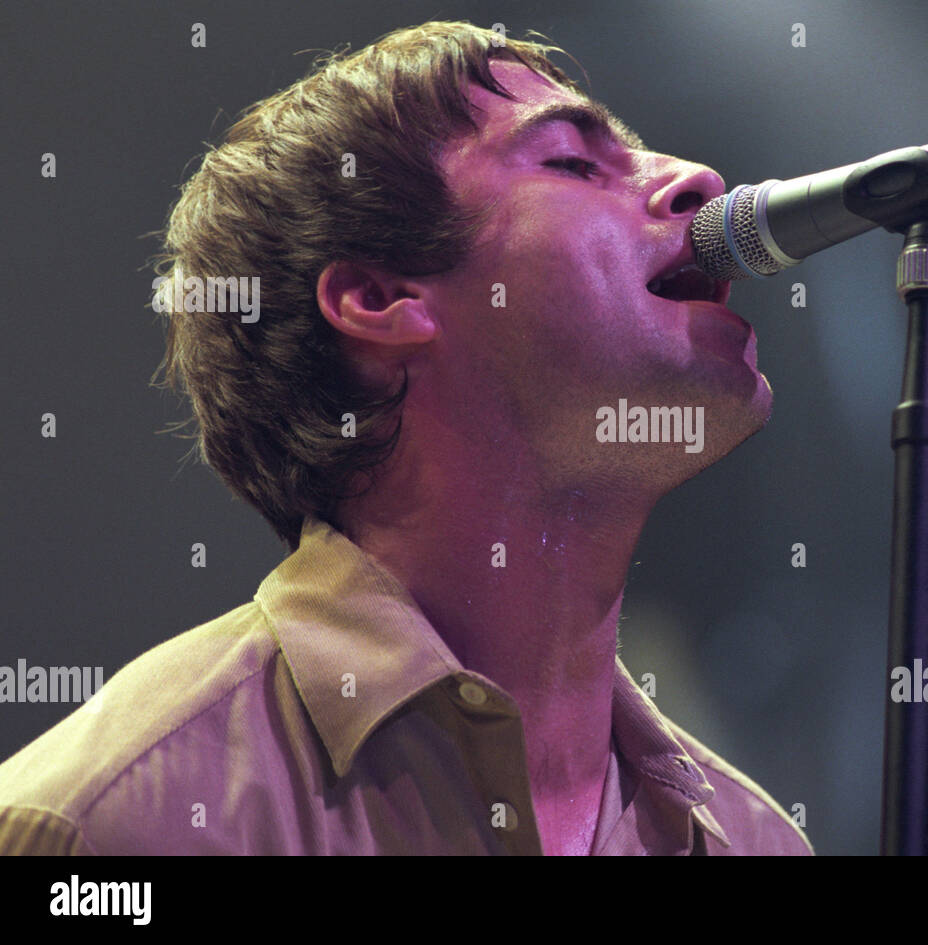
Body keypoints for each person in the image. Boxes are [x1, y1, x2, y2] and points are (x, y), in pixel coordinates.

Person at [0, 20, 811, 856]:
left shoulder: (758, 844)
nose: (700, 180)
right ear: (378, 295)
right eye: (571, 161)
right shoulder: (104, 827)